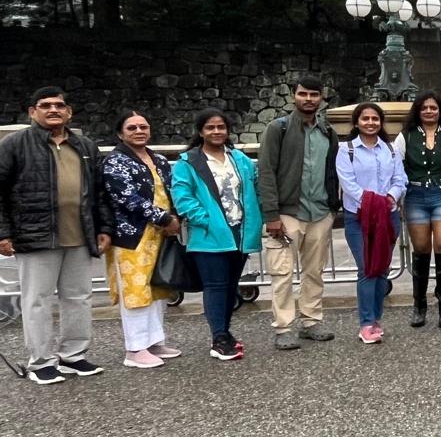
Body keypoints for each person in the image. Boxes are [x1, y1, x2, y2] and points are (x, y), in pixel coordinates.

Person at [0, 87, 113, 383]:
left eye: (59, 105)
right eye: (46, 105)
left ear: (69, 112)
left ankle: (73, 356)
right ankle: (40, 361)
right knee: (36, 299)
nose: (53, 110)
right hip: (35, 235)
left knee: (79, 297)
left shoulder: (85, 146)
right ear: (32, 112)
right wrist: (3, 233)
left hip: (79, 233)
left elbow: (99, 192)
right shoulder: (15, 144)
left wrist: (104, 228)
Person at [170, 109, 262, 362]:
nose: (216, 131)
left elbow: (254, 188)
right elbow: (182, 196)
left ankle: (226, 332)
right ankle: (218, 338)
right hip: (210, 234)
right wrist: (205, 219)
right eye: (210, 127)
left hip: (239, 231)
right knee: (215, 286)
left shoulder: (240, 159)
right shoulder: (188, 162)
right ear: (200, 131)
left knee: (231, 285)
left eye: (221, 127)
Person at [256, 75, 339, 351]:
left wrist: (332, 208)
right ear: (294, 95)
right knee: (282, 273)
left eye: (314, 95)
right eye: (303, 94)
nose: (308, 100)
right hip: (287, 211)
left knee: (314, 271)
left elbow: (332, 170)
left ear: (321, 98)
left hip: (319, 210)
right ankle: (284, 327)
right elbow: (266, 172)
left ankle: (311, 321)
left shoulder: (327, 131)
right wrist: (271, 215)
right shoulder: (278, 128)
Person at [100, 110, 183, 369]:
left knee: (157, 286)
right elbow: (126, 197)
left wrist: (176, 216)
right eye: (132, 127)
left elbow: (171, 191)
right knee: (135, 290)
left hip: (160, 234)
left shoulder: (159, 159)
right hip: (132, 235)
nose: (139, 131)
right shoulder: (115, 162)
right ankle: (135, 348)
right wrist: (164, 218)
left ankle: (155, 341)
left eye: (143, 127)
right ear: (120, 133)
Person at [397, 91, 441, 329]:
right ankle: (419, 306)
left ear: (440, 111)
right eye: (424, 108)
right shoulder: (406, 136)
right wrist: (396, 194)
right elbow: (397, 166)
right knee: (421, 248)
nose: (429, 111)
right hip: (416, 194)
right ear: (418, 111)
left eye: (433, 107)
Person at [336, 103, 406, 344]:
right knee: (367, 267)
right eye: (365, 118)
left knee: (382, 269)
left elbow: (400, 178)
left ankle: (376, 318)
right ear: (356, 123)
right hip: (359, 216)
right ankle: (366, 322)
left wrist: (390, 197)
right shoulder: (346, 150)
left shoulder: (390, 149)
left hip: (388, 215)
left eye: (375, 118)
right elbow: (348, 183)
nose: (370, 123)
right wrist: (372, 202)